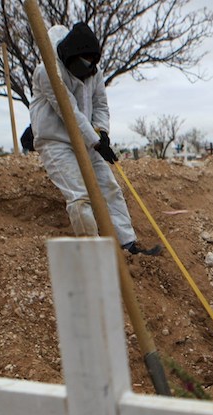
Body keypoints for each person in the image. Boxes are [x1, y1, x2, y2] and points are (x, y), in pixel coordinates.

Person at [29, 23, 160, 255]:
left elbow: (100, 104)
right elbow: (68, 112)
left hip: (88, 139)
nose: (88, 67)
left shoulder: (94, 72)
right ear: (71, 55)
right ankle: (94, 253)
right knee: (79, 197)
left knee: (110, 188)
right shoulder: (47, 71)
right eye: (84, 61)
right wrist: (95, 140)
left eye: (92, 62)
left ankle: (127, 245)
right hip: (56, 141)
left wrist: (102, 133)